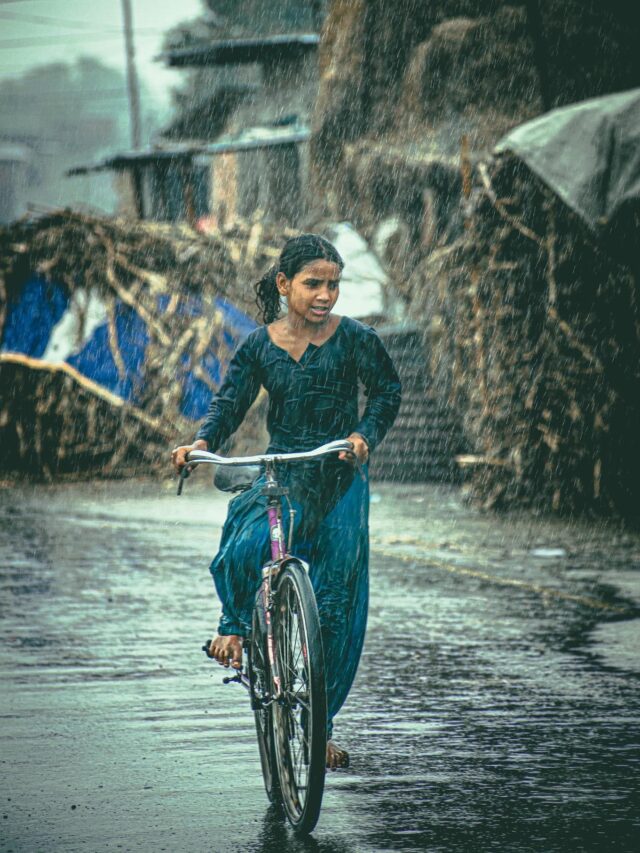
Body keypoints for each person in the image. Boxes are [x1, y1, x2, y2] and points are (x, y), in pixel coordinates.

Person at [172, 233, 401, 770]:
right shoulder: (259, 346)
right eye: (313, 283)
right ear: (284, 284)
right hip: (288, 472)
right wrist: (204, 442)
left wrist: (366, 434)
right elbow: (229, 402)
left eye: (334, 284)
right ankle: (233, 626)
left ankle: (318, 725)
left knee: (339, 607)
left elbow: (387, 391)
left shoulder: (357, 339)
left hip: (340, 475)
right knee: (245, 542)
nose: (325, 295)